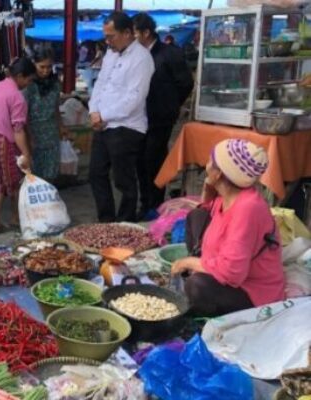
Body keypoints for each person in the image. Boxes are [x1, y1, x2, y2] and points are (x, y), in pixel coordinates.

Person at [171, 139, 285, 317]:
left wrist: (187, 262)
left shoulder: (248, 208)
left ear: (219, 174)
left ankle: (205, 307)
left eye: (211, 161)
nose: (206, 164)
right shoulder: (229, 194)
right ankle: (203, 268)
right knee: (197, 216)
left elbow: (233, 274)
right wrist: (209, 188)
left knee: (196, 286)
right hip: (225, 265)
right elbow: (206, 210)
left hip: (251, 290)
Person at [88, 12, 154, 223]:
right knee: (96, 173)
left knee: (123, 180)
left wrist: (103, 115)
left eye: (111, 36)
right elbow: (100, 83)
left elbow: (134, 98)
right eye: (105, 37)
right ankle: (106, 221)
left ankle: (125, 222)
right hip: (103, 123)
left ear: (127, 33)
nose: (108, 41)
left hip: (126, 126)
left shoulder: (142, 58)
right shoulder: (111, 53)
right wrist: (93, 110)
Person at [133, 13, 193, 220]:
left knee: (154, 159)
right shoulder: (135, 55)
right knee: (139, 160)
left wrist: (171, 104)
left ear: (146, 33)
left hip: (161, 118)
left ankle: (156, 204)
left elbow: (185, 83)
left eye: (134, 34)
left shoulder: (169, 54)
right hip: (139, 116)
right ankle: (145, 202)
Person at [0, 57, 35, 234]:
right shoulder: (17, 97)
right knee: (15, 181)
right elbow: (18, 130)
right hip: (4, 142)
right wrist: (26, 154)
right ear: (19, 76)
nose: (28, 83)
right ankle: (16, 218)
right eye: (28, 79)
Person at [23, 48, 64, 181]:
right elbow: (24, 115)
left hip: (51, 134)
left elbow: (56, 108)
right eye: (42, 67)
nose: (46, 70)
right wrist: (29, 138)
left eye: (49, 67)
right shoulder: (27, 85)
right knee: (34, 175)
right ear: (33, 64)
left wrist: (61, 126)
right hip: (33, 134)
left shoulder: (56, 84)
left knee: (51, 173)